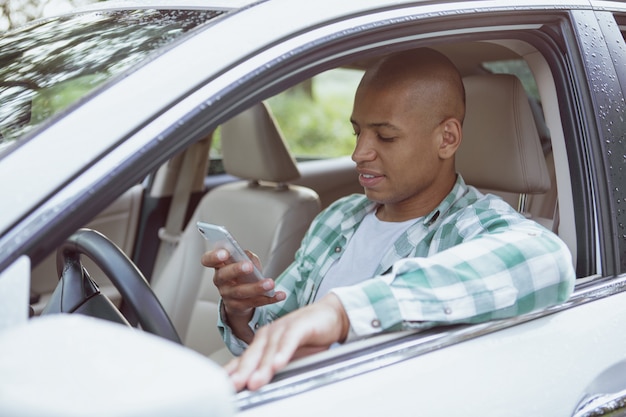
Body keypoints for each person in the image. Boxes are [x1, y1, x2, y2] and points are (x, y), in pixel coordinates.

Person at [201, 48, 576, 391]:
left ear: (447, 138)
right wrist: (242, 312)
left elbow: (547, 260)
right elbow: (275, 332)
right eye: (357, 131)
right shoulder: (338, 218)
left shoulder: (471, 226)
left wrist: (342, 311)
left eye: (385, 136)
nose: (359, 153)